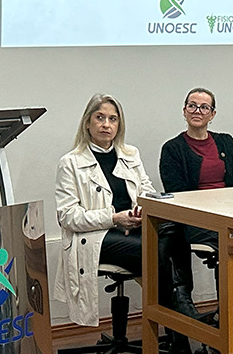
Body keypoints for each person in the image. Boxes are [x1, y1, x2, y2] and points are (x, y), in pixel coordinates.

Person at [53, 94, 201, 353]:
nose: (106, 125)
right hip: (98, 236)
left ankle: (180, 311)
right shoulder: (71, 162)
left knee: (176, 233)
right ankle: (181, 327)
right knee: (155, 254)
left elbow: (147, 191)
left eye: (113, 119)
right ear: (87, 122)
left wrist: (142, 210)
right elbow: (68, 216)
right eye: (100, 118)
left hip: (133, 228)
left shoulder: (130, 154)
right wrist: (114, 218)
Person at [159, 87, 233, 248]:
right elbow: (177, 192)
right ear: (184, 111)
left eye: (204, 107)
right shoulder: (172, 148)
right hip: (195, 218)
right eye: (192, 106)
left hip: (230, 212)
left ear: (212, 114)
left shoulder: (227, 142)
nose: (197, 111)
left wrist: (230, 207)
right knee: (230, 240)